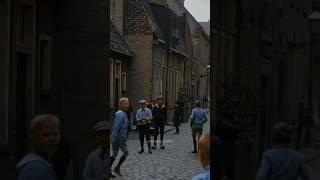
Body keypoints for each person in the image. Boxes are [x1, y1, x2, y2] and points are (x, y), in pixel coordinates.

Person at [16, 114, 61, 180]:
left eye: (55, 134)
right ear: (33, 138)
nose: (52, 139)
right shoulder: (36, 169)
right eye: (46, 135)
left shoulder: (42, 165)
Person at [110, 97, 130, 177]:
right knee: (126, 153)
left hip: (118, 138)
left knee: (114, 154)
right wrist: (114, 138)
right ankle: (117, 168)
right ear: (120, 105)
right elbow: (116, 127)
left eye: (128, 103)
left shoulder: (122, 113)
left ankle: (107, 169)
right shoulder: (121, 114)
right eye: (125, 104)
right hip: (120, 138)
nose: (127, 105)